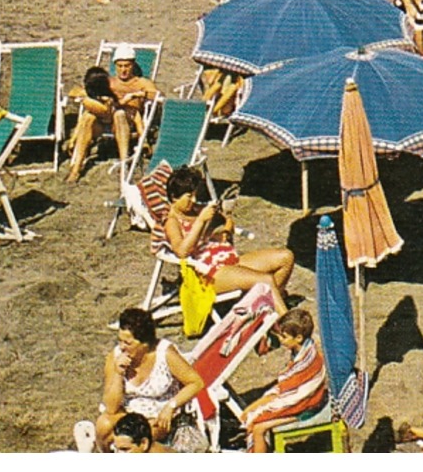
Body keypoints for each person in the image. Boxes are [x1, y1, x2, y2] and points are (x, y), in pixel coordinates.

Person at [162, 166, 294, 311]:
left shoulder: (196, 209)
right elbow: (182, 251)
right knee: (266, 279)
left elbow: (227, 220)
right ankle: (285, 327)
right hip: (208, 274)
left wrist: (226, 230)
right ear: (174, 197)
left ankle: (262, 309)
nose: (194, 200)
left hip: (229, 260)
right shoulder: (172, 222)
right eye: (189, 196)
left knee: (286, 257)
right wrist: (200, 221)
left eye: (195, 194)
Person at [93, 308, 206, 453]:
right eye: (119, 341)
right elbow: (111, 408)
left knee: (138, 438)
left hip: (158, 418)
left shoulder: (165, 355)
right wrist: (118, 373)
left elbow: (196, 383)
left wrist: (171, 406)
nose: (121, 347)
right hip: (128, 414)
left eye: (127, 343)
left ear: (145, 343)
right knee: (104, 425)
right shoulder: (116, 356)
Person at [239, 308, 328, 452]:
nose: (280, 340)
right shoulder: (304, 350)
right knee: (252, 413)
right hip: (305, 401)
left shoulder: (308, 360)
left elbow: (294, 393)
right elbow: (286, 388)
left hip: (307, 407)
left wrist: (258, 406)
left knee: (258, 427)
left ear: (298, 338)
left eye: (284, 337)